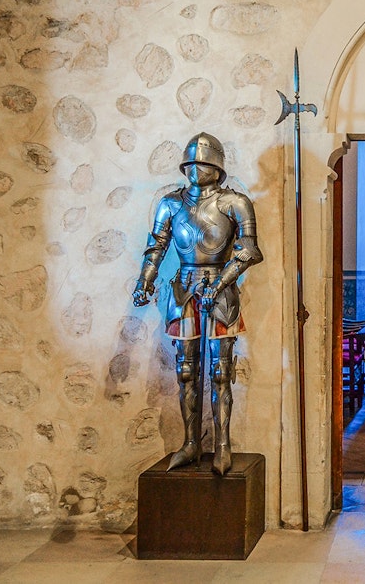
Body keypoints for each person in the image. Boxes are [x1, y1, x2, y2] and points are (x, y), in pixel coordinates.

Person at [133, 132, 263, 475]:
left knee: (221, 373)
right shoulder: (170, 204)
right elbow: (156, 246)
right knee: (186, 371)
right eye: (191, 162)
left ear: (216, 166)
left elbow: (248, 251)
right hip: (183, 290)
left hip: (222, 290)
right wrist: (144, 280)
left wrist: (218, 283)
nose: (196, 168)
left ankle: (222, 445)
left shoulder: (234, 203)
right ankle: (191, 443)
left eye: (202, 162)